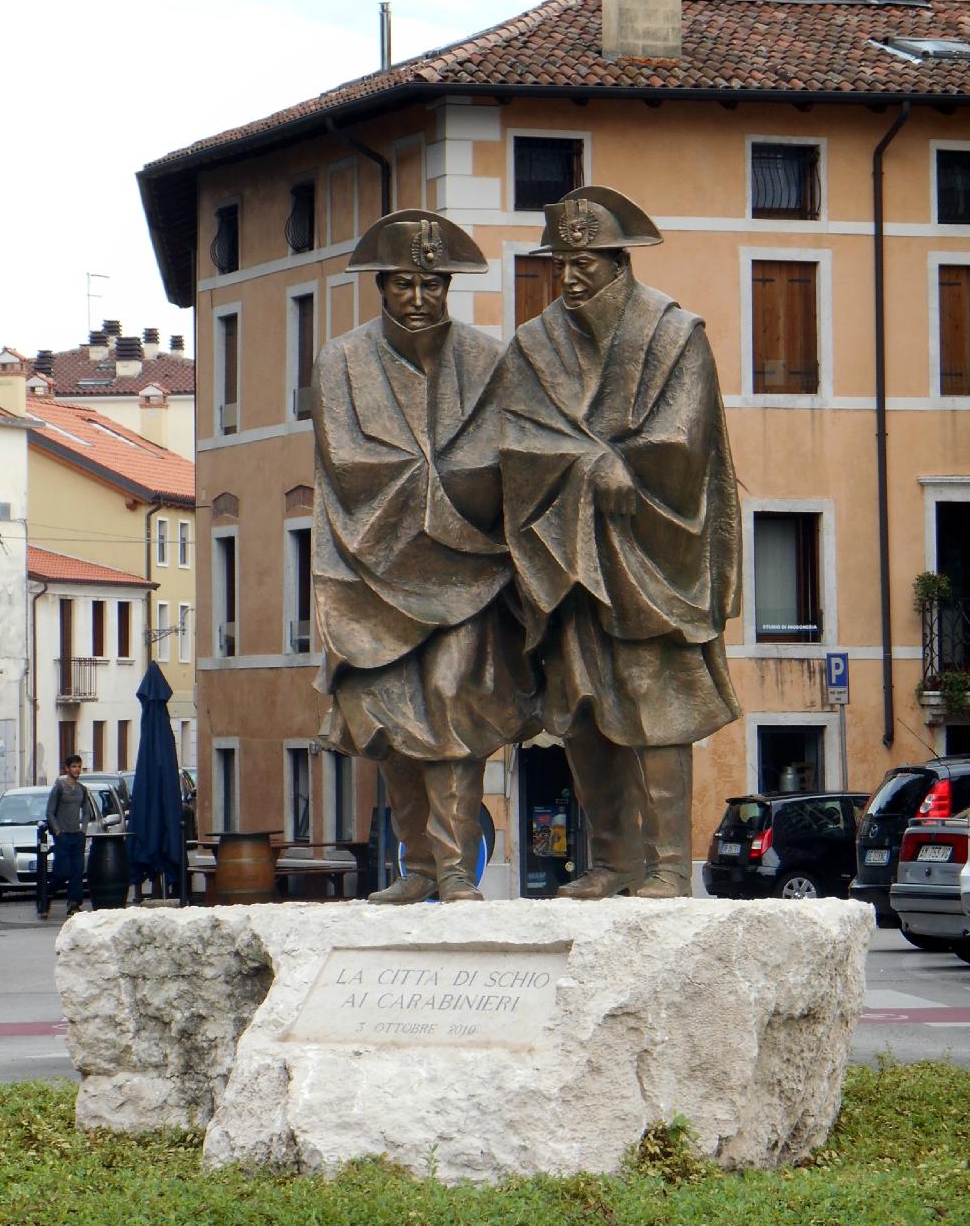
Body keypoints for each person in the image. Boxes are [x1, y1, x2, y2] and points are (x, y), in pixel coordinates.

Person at [499, 186, 741, 899]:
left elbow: (683, 439)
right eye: (561, 264)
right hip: (565, 557)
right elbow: (516, 436)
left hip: (649, 555)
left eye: (586, 264)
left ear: (619, 262)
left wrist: (617, 463)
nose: (570, 278)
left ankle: (667, 865)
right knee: (578, 709)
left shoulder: (672, 334)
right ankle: (613, 862)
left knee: (654, 706)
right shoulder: (533, 341)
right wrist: (587, 463)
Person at [313, 209, 539, 903]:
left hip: (468, 566)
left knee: (454, 710)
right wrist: (432, 479)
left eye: (432, 284)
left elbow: (505, 452)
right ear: (380, 285)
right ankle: (416, 867)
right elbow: (346, 459)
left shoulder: (488, 358)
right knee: (386, 721)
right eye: (405, 284)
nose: (418, 297)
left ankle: (451, 869)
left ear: (447, 287)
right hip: (369, 571)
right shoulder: (341, 359)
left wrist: (455, 491)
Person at [43, 754, 88, 918]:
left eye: (79, 767)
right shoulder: (59, 788)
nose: (77, 770)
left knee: (77, 871)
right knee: (63, 872)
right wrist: (57, 831)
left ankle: (74, 904)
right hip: (62, 835)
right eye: (74, 766)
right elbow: (50, 812)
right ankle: (47, 894)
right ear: (67, 769)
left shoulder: (82, 789)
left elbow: (86, 812)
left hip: (77, 835)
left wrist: (83, 830)